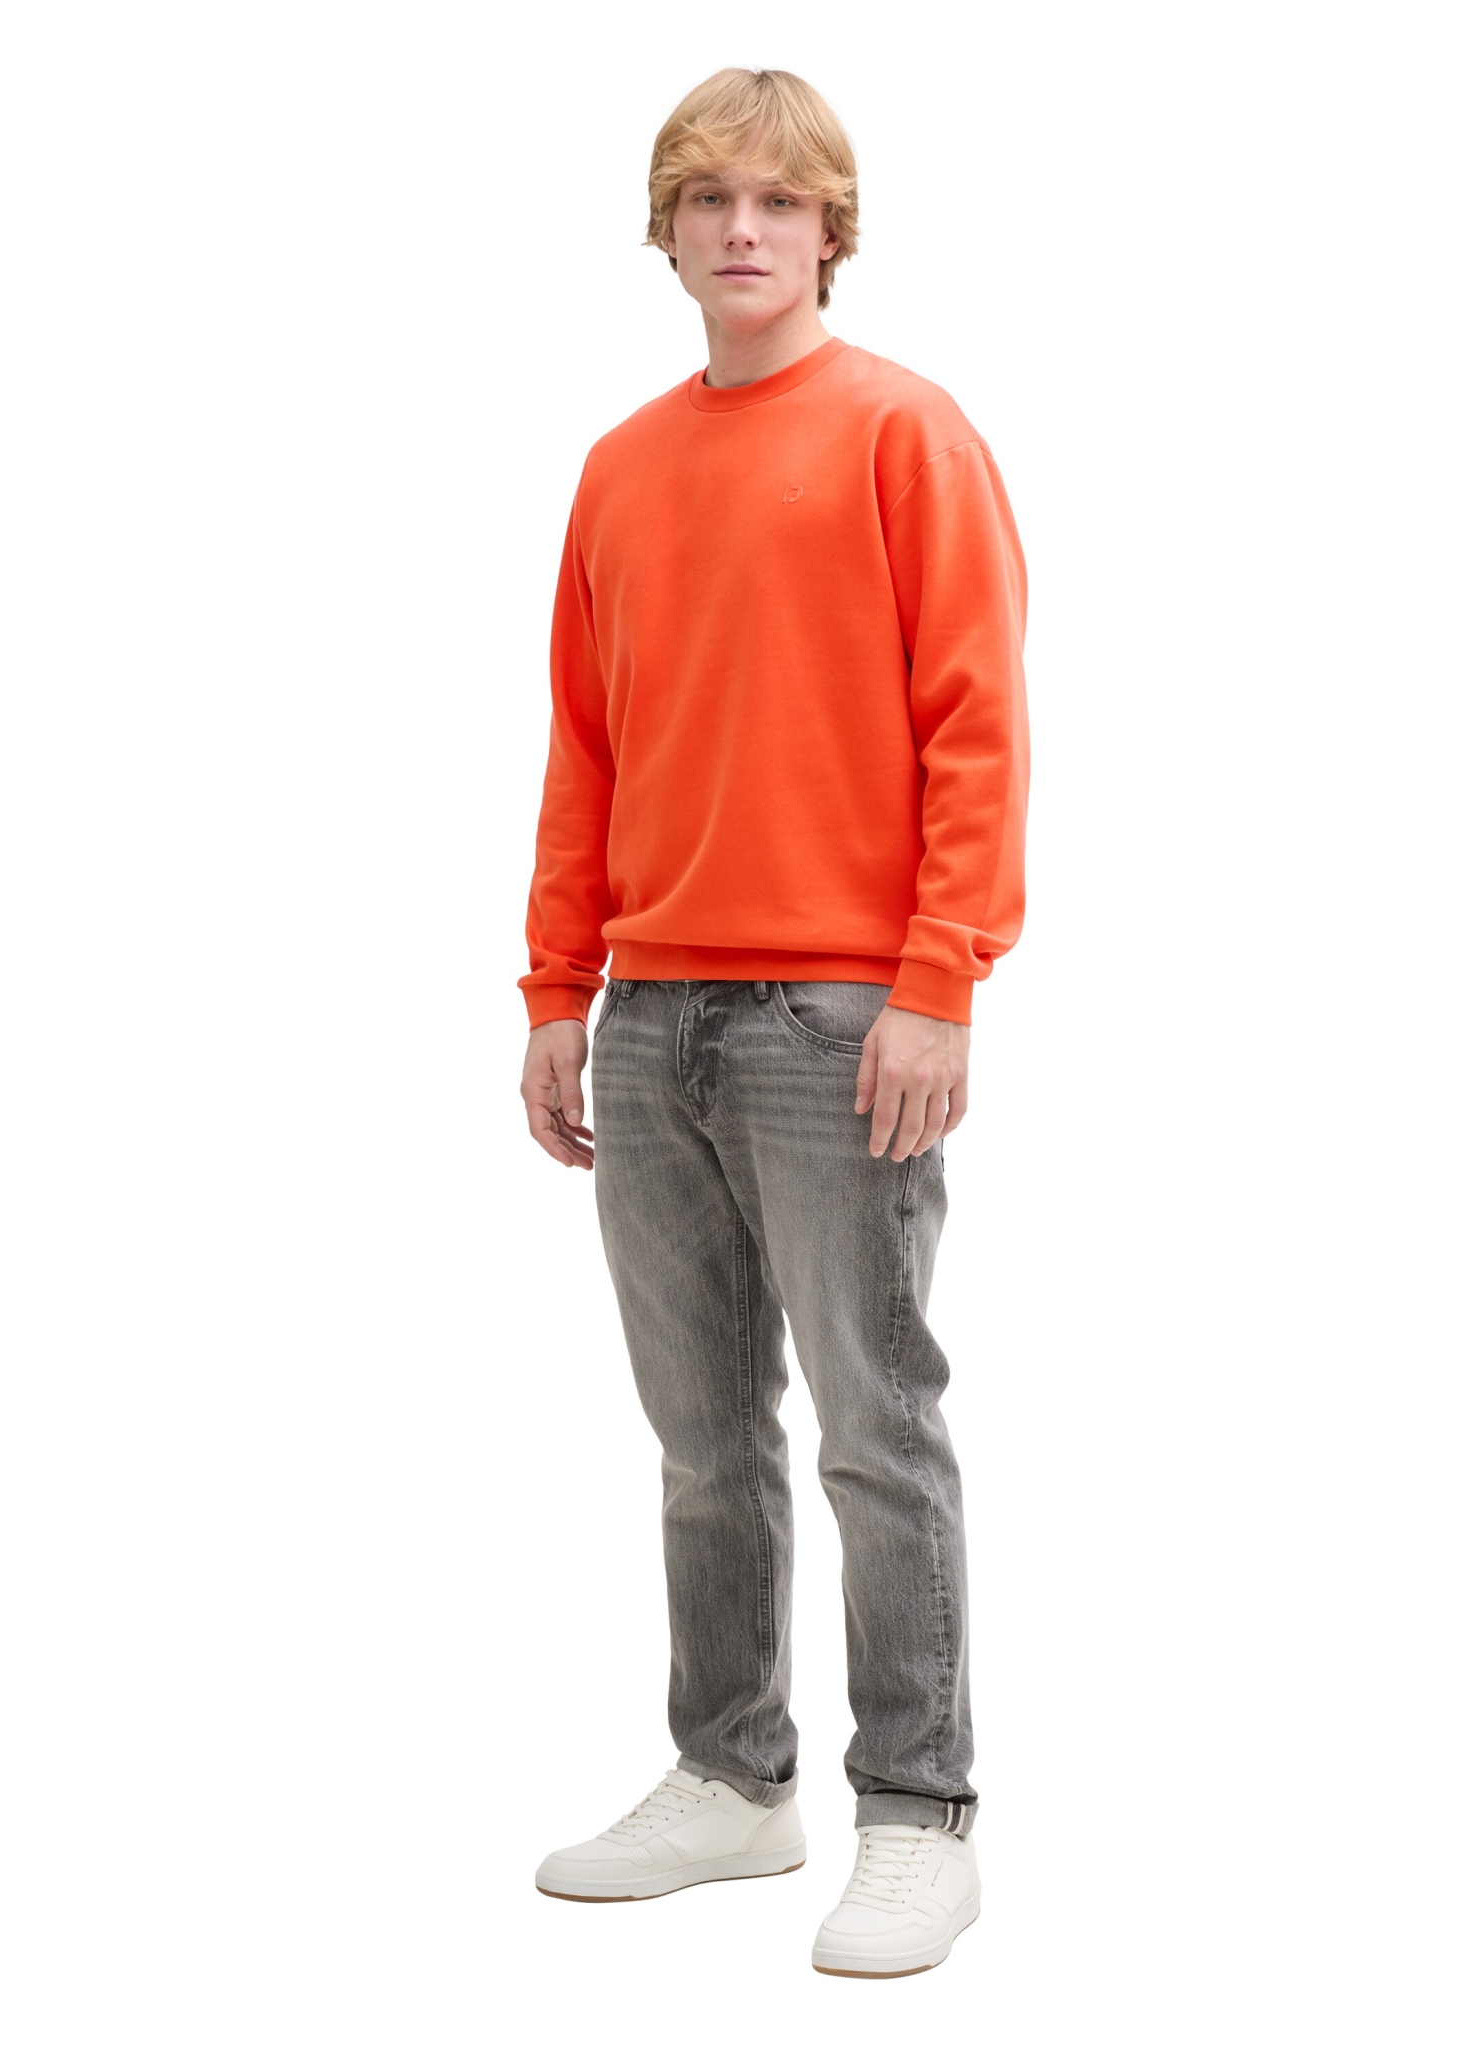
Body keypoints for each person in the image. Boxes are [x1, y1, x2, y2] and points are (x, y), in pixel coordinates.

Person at [516, 66, 1029, 1980]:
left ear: (831, 232)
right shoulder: (619, 468)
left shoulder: (906, 434)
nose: (744, 229)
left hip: (839, 1016)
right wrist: (558, 988)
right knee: (703, 1435)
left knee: (876, 1426)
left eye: (781, 201)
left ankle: (920, 1812)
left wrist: (939, 980)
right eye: (709, 199)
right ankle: (734, 1778)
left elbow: (977, 724)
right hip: (651, 1017)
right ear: (666, 232)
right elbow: (587, 748)